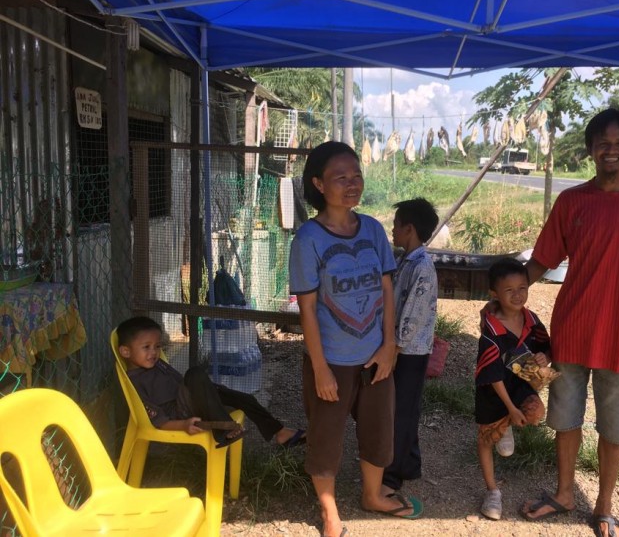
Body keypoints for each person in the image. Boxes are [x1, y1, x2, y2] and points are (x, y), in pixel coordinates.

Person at [518, 108, 619, 537]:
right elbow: (542, 259)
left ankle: (605, 506)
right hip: (572, 331)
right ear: (591, 149)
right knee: (565, 419)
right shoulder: (572, 202)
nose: (611, 150)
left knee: (614, 427)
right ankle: (564, 493)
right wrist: (508, 295)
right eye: (603, 143)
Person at [289, 142, 423, 537]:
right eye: (340, 177)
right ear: (318, 183)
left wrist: (389, 347)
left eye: (356, 175)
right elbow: (308, 310)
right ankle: (330, 512)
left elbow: (386, 291)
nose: (352, 184)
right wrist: (320, 369)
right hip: (332, 359)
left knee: (379, 430)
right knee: (326, 438)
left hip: (374, 356)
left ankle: (372, 495)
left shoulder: (373, 230)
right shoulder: (308, 240)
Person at [117, 316, 306, 449]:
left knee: (244, 398)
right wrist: (183, 425)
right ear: (125, 352)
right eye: (146, 347)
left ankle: (280, 432)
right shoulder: (136, 382)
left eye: (157, 346)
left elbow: (180, 384)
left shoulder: (155, 364)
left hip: (191, 401)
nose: (154, 352)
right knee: (195, 373)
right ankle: (224, 429)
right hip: (179, 412)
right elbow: (157, 420)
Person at [476, 258, 549, 520]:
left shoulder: (531, 319)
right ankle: (492, 492)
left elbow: (545, 346)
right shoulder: (491, 330)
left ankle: (506, 424)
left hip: (520, 386)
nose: (518, 295)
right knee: (486, 440)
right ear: (494, 294)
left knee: (536, 412)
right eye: (509, 290)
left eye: (523, 288)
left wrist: (544, 359)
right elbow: (493, 375)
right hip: (494, 391)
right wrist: (509, 408)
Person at [381, 198, 439, 497]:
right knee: (407, 407)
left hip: (409, 351)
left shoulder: (423, 267)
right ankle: (410, 463)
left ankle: (391, 475)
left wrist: (395, 348)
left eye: (396, 225)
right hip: (405, 348)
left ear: (409, 228)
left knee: (400, 411)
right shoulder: (407, 260)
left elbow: (413, 313)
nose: (392, 230)